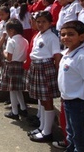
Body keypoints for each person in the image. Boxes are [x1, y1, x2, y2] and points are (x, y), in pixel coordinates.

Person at [58, 21, 84, 151]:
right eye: (63, 34)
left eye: (71, 34)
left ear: (82, 37)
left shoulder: (83, 57)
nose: (66, 37)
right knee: (71, 134)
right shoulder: (67, 53)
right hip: (69, 102)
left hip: (80, 105)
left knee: (80, 138)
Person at [27, 11, 62, 142]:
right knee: (41, 99)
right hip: (36, 66)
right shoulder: (38, 35)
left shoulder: (51, 37)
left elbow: (57, 56)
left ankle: (47, 132)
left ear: (50, 23)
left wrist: (58, 72)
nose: (40, 24)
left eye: (44, 22)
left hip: (45, 67)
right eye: (38, 21)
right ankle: (42, 127)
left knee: (47, 100)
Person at [2, 19, 29, 120]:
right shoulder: (25, 40)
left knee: (12, 90)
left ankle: (14, 111)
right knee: (18, 89)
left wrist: (4, 52)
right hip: (21, 65)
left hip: (12, 66)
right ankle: (23, 107)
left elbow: (9, 57)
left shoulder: (12, 41)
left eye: (8, 30)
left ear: (12, 30)